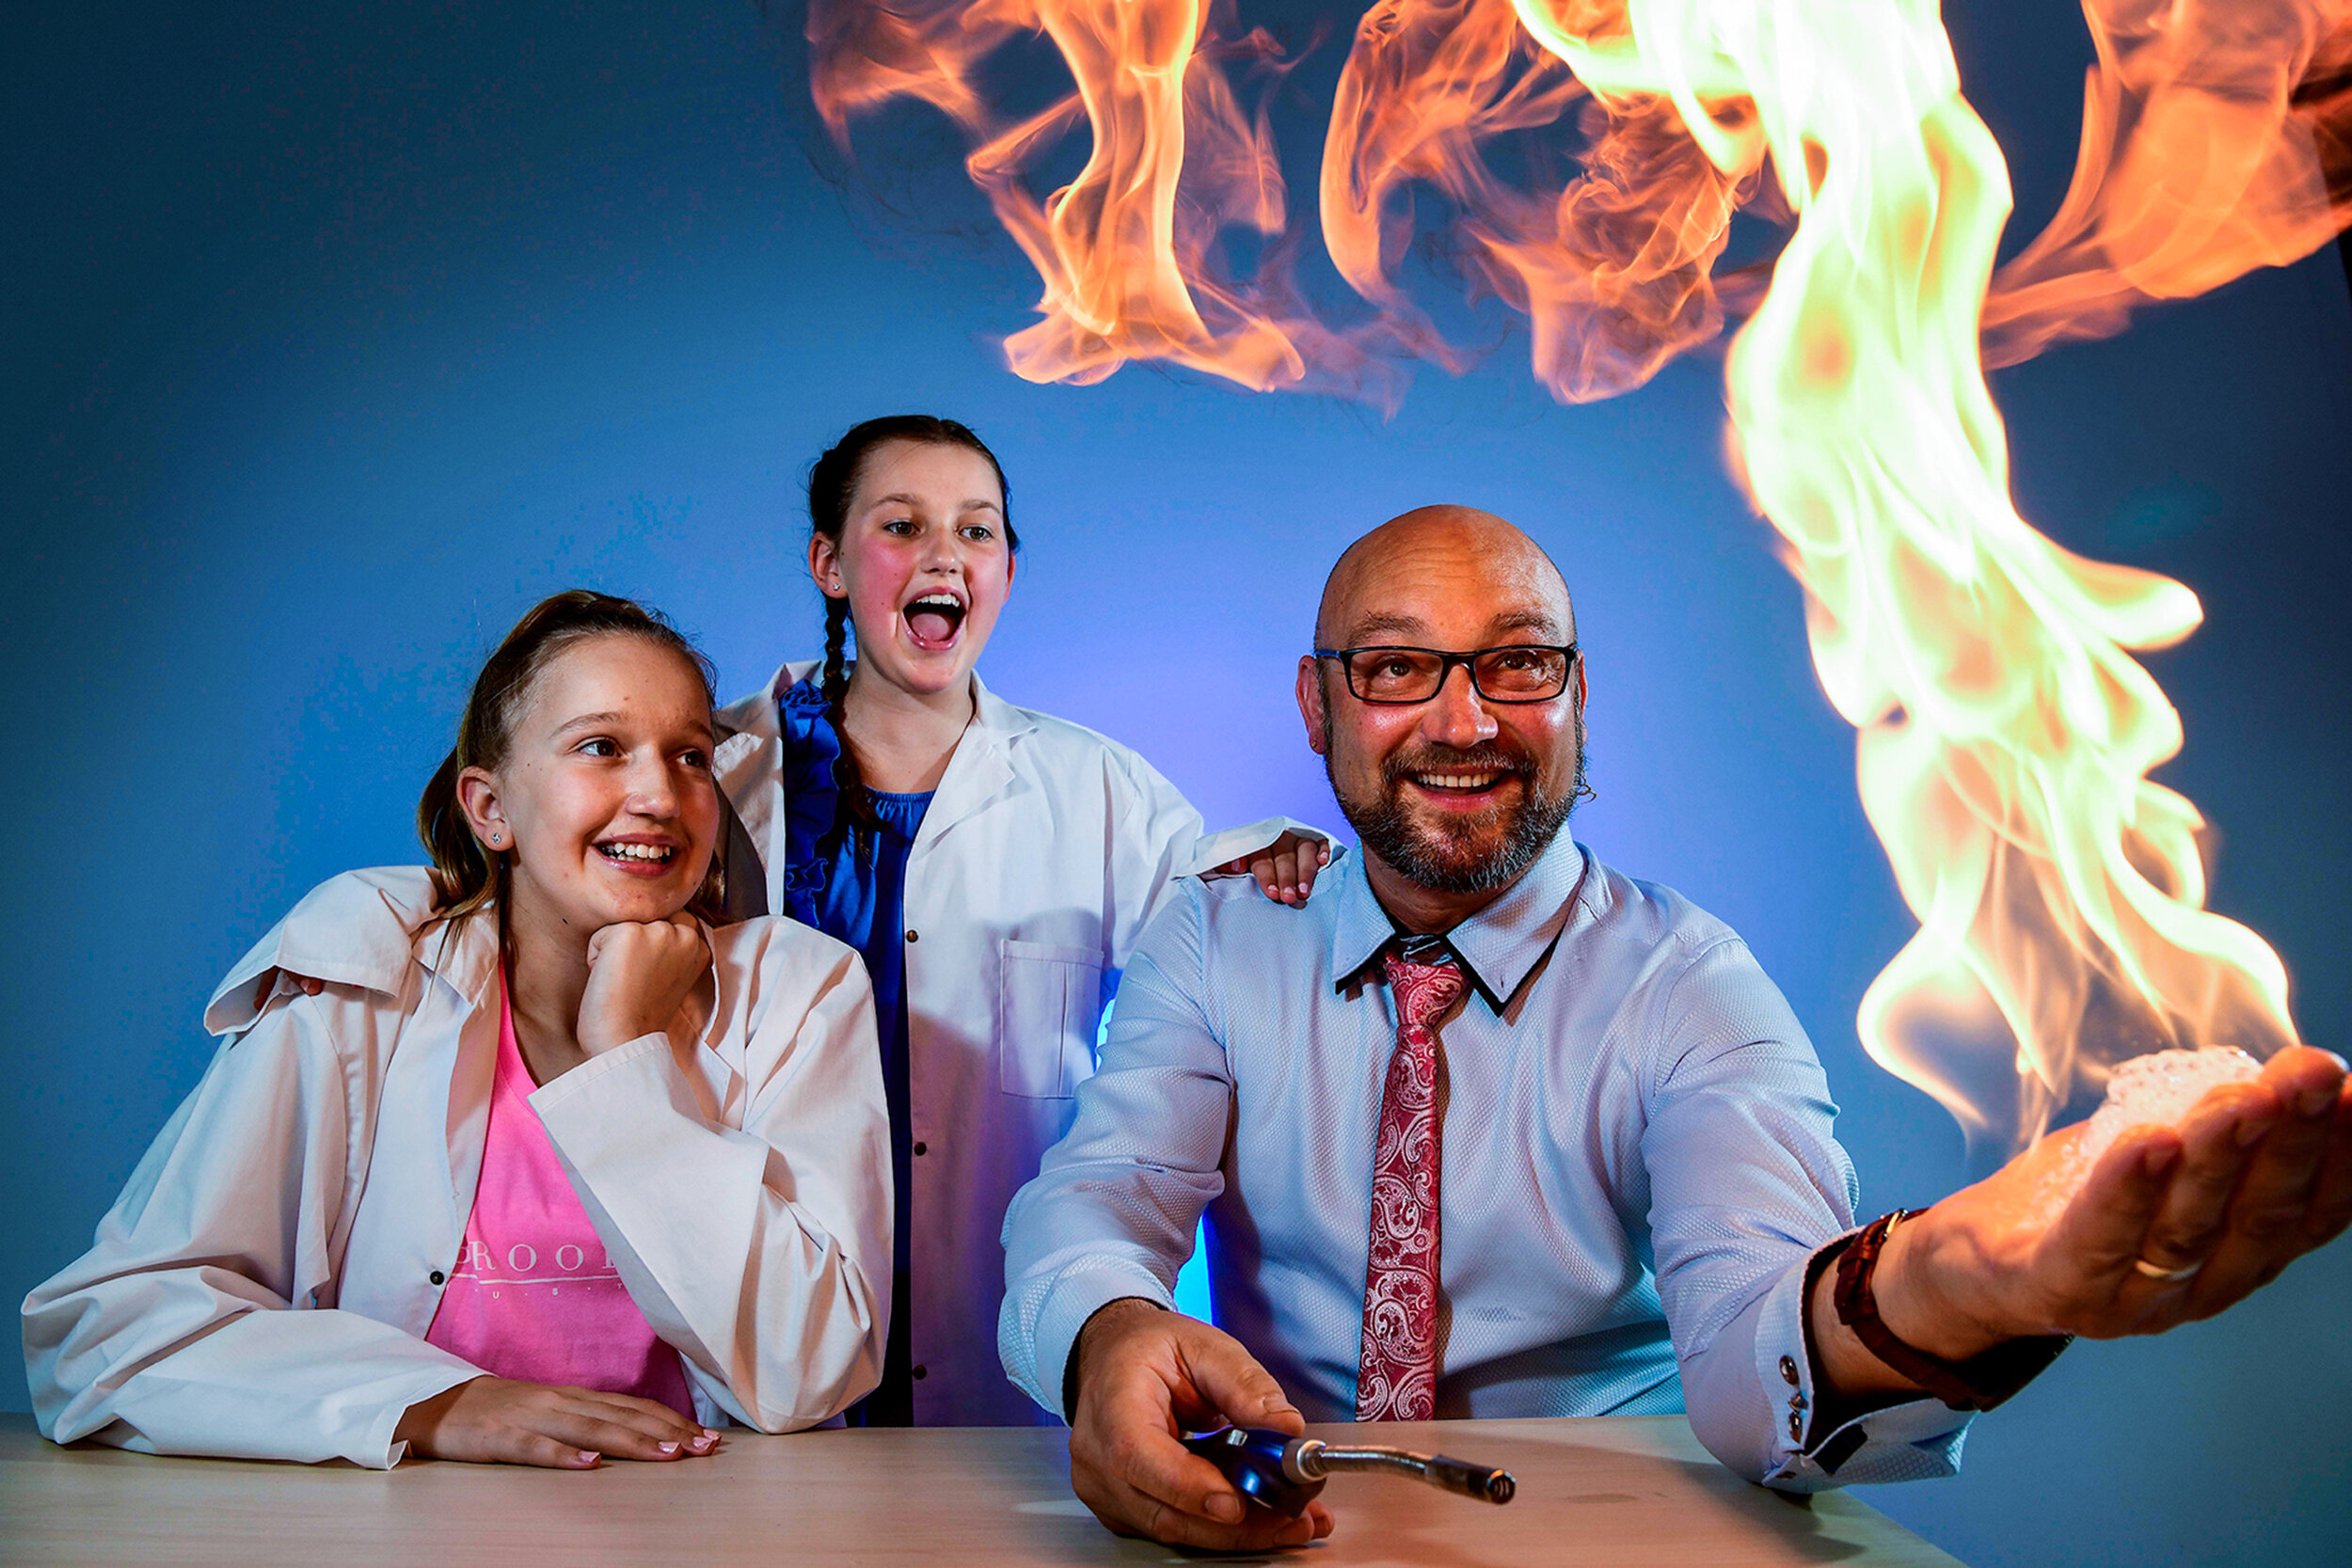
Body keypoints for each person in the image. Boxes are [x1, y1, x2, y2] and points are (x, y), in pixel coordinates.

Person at [997, 506, 2352, 1551]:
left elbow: (1753, 1333)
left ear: (1581, 694)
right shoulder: (1215, 935)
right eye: (1400, 666)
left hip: (1614, 1538)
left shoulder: (1691, 985)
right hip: (1291, 1525)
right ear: (1320, 704)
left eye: (1518, 661)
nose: (1463, 718)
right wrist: (1109, 1329)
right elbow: (1101, 1192)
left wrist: (1947, 1287)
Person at [24, 591, 891, 1469]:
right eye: (601, 746)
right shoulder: (364, 986)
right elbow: (108, 1336)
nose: (659, 793)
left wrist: (627, 1057)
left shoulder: (798, 991)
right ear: (491, 809)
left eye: (692, 756)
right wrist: (434, 1405)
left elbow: (810, 1373)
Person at [710, 415, 1330, 1426]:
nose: (944, 553)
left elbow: (1223, 927)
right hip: (753, 1323)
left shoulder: (1096, 789)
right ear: (829, 561)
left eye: (977, 529)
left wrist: (1287, 856)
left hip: (997, 1360)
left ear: (1006, 569)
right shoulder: (716, 775)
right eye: (902, 525)